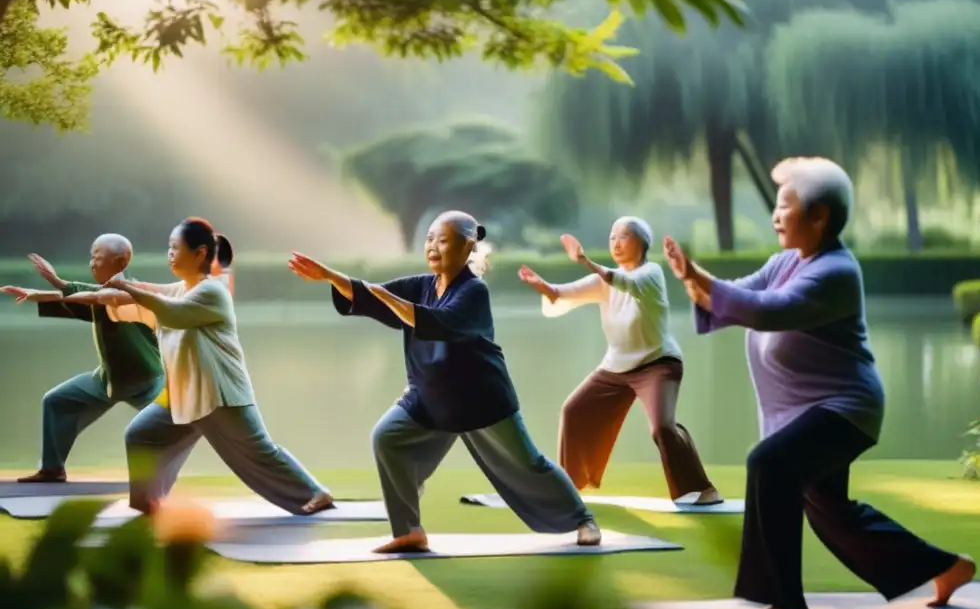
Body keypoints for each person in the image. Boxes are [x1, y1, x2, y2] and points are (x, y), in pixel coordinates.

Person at [664, 156, 975, 609]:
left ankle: (787, 604)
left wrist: (700, 279)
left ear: (819, 216)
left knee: (768, 464)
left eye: (785, 205)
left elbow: (769, 310)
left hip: (844, 408)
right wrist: (693, 277)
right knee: (833, 514)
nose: (775, 214)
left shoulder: (836, 272)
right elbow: (736, 296)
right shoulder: (785, 261)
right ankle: (945, 567)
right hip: (803, 412)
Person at [288, 210, 602, 553]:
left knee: (528, 465)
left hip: (481, 400)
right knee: (387, 438)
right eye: (429, 239)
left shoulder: (473, 292)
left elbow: (435, 322)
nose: (433, 247)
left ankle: (582, 519)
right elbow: (371, 298)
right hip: (429, 398)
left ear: (467, 247)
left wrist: (380, 295)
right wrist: (331, 277)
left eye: (443, 240)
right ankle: (409, 531)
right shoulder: (423, 285)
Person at [64, 217, 332, 516]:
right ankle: (147, 503)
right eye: (169, 248)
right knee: (141, 435)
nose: (170, 253)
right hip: (184, 396)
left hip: (220, 397)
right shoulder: (181, 288)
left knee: (260, 451)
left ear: (200, 253)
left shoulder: (212, 292)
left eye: (175, 248)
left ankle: (315, 493)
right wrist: (73, 293)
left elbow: (170, 313)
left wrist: (128, 288)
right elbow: (143, 295)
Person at [517, 218, 720, 505]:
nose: (616, 243)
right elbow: (561, 293)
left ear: (641, 243)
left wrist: (584, 260)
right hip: (615, 368)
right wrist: (541, 285)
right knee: (574, 410)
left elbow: (625, 282)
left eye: (623, 236)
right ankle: (570, 487)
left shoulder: (651, 273)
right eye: (612, 237)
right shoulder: (604, 280)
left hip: (658, 363)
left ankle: (702, 489)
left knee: (662, 427)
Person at [0, 236, 164, 483]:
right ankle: (53, 469)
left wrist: (56, 282)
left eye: (97, 258)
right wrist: (35, 293)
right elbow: (90, 296)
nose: (92, 263)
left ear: (119, 262)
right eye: (92, 257)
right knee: (56, 401)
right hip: (108, 381)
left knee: (166, 427)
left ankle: (155, 482)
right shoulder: (104, 292)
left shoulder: (134, 293)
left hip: (146, 381)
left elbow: (98, 296)